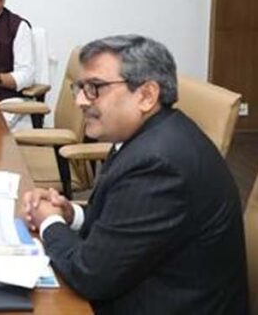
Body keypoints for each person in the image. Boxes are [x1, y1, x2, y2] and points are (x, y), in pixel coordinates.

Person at [22, 35, 248, 314]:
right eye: (79, 88)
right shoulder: (146, 136)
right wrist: (71, 215)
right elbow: (125, 217)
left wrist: (49, 222)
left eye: (94, 88)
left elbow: (90, 274)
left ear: (146, 96)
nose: (80, 100)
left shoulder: (159, 164)